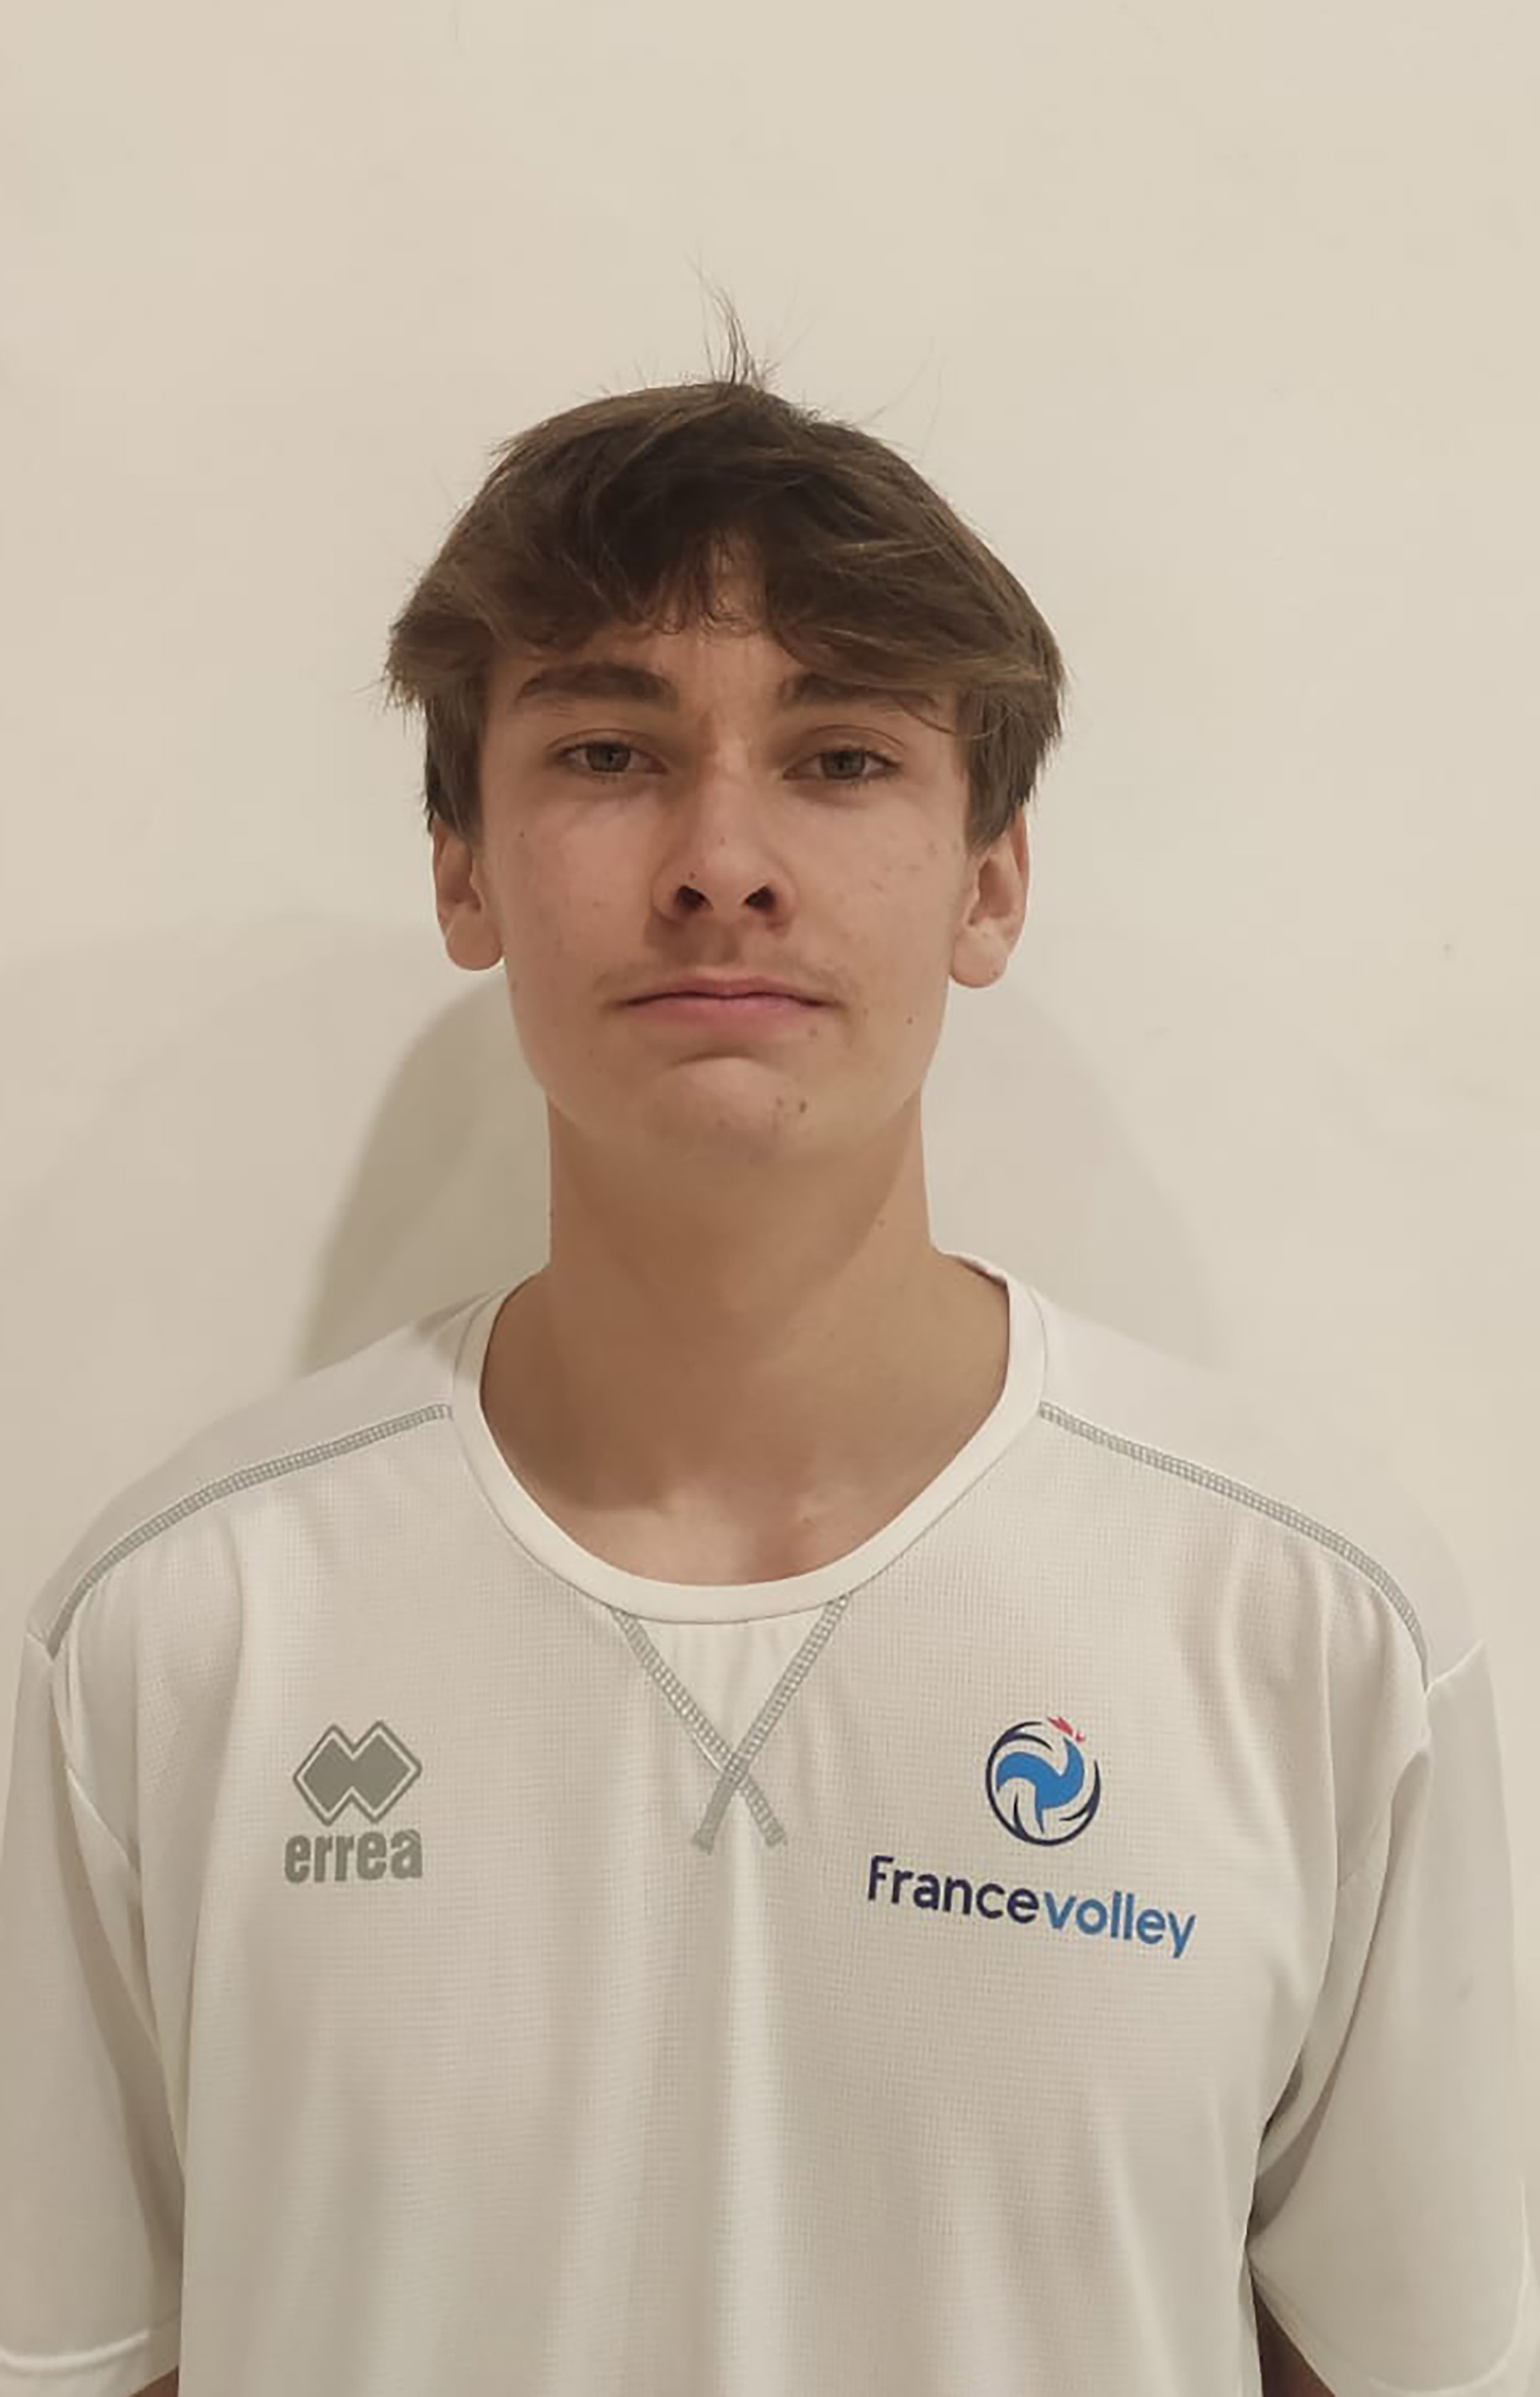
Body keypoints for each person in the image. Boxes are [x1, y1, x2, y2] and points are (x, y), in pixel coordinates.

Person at [2, 296, 1537, 2397]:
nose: (721, 865)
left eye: (841, 760)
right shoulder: (178, 1630)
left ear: (989, 883)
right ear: (461, 868)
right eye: (608, 755)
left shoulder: (1307, 1624)